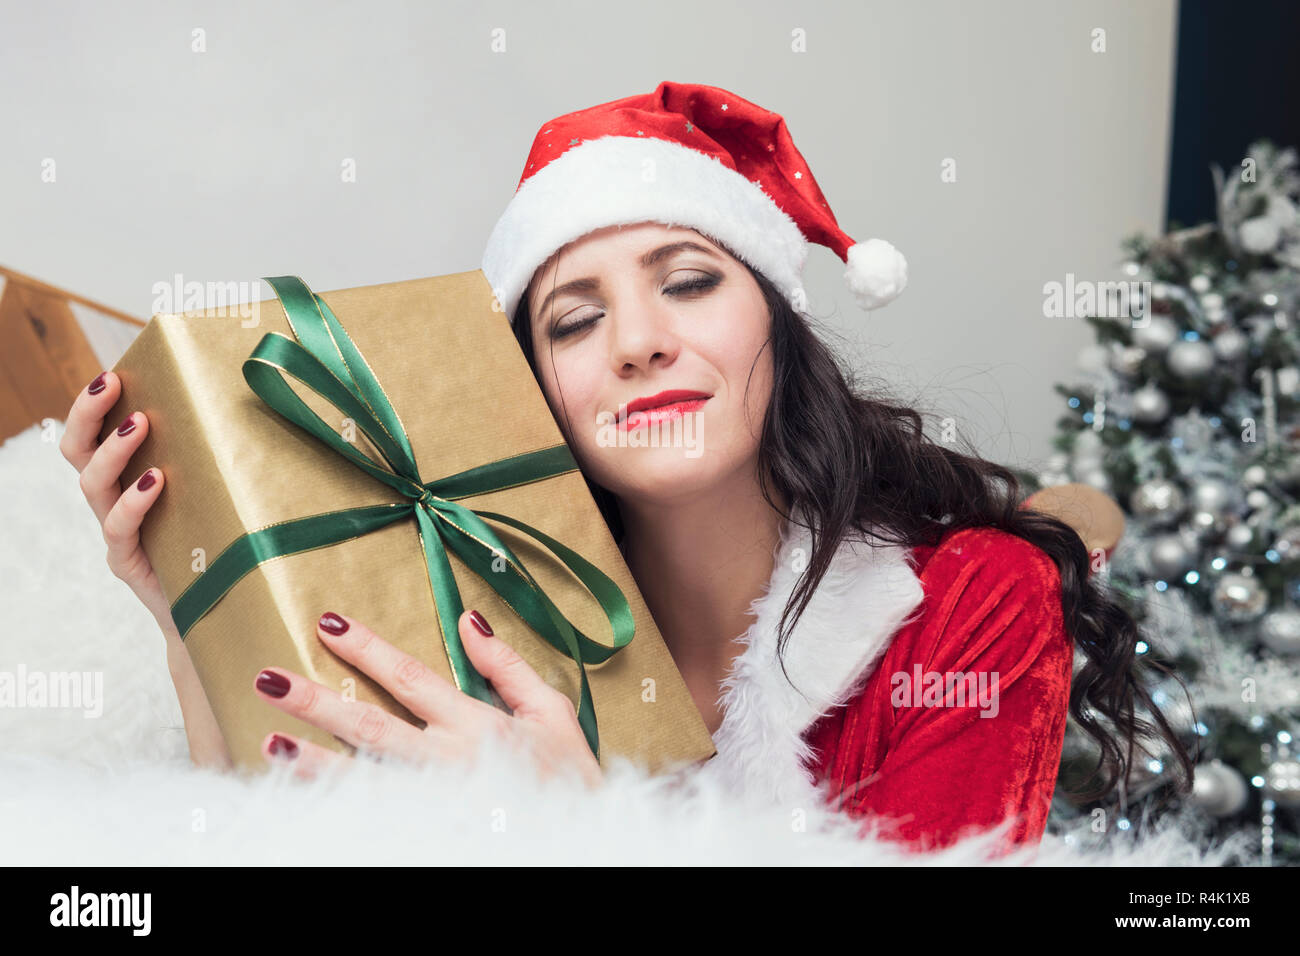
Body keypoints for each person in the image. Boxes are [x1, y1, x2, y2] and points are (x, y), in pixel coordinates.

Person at [62, 80, 1194, 855]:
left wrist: (581, 834)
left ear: (778, 327)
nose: (637, 340)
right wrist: (183, 609)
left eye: (690, 281)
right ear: (535, 392)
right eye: (572, 319)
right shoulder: (486, 613)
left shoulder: (971, 603)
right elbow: (261, 838)